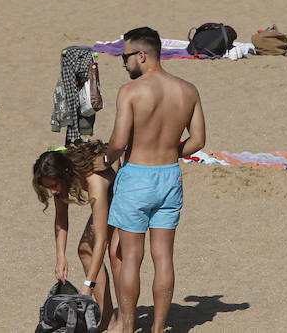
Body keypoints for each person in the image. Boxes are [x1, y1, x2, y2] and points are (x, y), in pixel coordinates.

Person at [106, 26, 206, 333]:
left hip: (137, 175)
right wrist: (172, 153)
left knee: (131, 257)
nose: (123, 64)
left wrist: (102, 162)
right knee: (163, 257)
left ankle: (127, 325)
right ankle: (159, 329)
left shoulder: (131, 91)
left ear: (142, 54)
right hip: (169, 176)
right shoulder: (187, 89)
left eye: (125, 57)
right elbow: (198, 140)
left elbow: (120, 142)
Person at [31, 141, 121, 327]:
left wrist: (88, 285)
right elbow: (61, 219)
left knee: (116, 255)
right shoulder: (61, 171)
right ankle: (107, 317)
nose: (53, 191)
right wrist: (60, 257)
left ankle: (121, 322)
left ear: (66, 173)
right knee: (85, 250)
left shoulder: (93, 179)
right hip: (107, 191)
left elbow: (101, 240)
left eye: (55, 185)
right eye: (49, 188)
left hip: (123, 189)